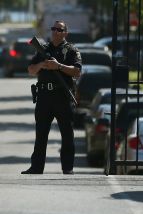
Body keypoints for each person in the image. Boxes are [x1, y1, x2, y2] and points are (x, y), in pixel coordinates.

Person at [21, 20, 82, 174]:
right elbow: (30, 70)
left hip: (62, 96)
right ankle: (36, 167)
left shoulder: (71, 50)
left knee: (67, 134)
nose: (55, 31)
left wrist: (59, 66)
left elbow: (77, 71)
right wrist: (42, 64)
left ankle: (67, 168)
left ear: (65, 33)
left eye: (59, 29)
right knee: (41, 133)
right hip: (44, 97)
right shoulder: (43, 49)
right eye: (53, 29)